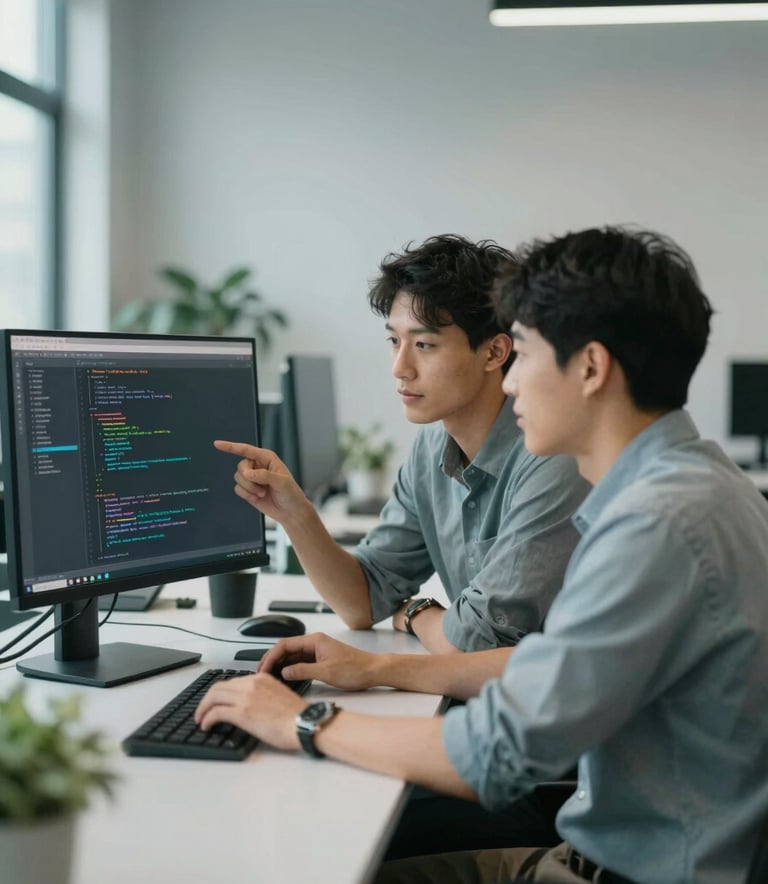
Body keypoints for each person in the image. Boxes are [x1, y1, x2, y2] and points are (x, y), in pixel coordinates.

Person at [197, 225, 768, 883]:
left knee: (308, 851)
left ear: (590, 367)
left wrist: (304, 721)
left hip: (613, 871)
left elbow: (494, 755)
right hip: (614, 848)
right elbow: (545, 669)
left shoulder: (656, 524)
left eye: (521, 353)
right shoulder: (696, 485)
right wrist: (376, 669)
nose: (514, 382)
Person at [216, 233, 587, 654]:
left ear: (494, 353)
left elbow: (481, 643)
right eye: (395, 341)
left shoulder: (551, 457)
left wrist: (414, 613)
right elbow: (363, 599)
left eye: (424, 345)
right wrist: (295, 514)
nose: (400, 368)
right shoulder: (432, 447)